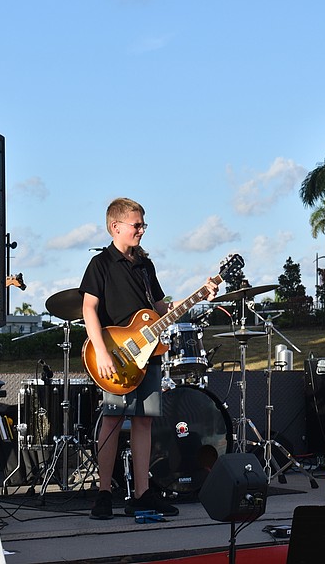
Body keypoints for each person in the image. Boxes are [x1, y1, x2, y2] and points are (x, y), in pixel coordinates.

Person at [81, 197, 217, 519]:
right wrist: (101, 351)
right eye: (137, 225)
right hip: (114, 354)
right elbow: (89, 308)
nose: (142, 230)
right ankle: (103, 493)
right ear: (116, 227)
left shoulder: (145, 265)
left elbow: (160, 309)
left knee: (144, 421)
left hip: (149, 354)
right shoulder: (100, 264)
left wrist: (200, 294)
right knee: (112, 420)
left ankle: (142, 494)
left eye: (144, 225)